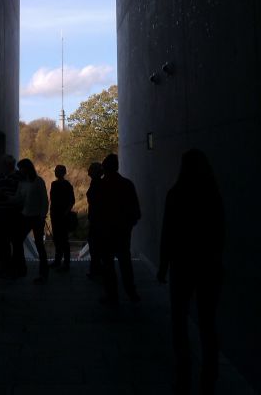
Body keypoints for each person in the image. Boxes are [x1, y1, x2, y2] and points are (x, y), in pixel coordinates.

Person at [157, 149, 225, 395]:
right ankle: (210, 375)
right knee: (207, 323)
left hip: (182, 265)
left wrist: (163, 266)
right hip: (208, 266)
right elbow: (220, 233)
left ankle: (183, 372)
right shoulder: (212, 194)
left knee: (179, 320)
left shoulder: (176, 194)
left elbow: (168, 233)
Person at [96, 153, 141, 304]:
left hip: (106, 232)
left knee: (108, 265)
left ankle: (112, 295)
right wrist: (128, 225)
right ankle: (131, 292)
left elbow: (96, 210)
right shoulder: (127, 184)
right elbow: (136, 211)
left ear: (104, 168)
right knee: (125, 263)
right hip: (123, 231)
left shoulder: (101, 186)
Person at [14, 158, 49, 284]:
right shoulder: (22, 183)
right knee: (17, 241)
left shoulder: (38, 181)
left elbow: (44, 200)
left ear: (27, 168)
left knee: (39, 245)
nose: (20, 170)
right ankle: (21, 269)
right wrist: (6, 198)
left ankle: (43, 274)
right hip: (25, 217)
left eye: (21, 168)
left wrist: (42, 216)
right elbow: (18, 198)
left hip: (37, 218)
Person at [0, 154, 25, 278]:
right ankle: (5, 267)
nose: (5, 166)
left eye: (6, 164)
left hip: (13, 213)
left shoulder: (19, 177)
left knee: (15, 241)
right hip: (0, 212)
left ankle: (16, 268)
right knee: (2, 242)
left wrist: (6, 196)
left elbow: (21, 194)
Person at [49, 165, 75, 271]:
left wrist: (65, 213)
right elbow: (71, 201)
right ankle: (61, 262)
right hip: (58, 215)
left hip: (59, 215)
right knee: (60, 239)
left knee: (62, 239)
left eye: (57, 171)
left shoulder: (57, 184)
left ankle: (62, 262)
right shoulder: (65, 184)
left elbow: (71, 201)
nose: (56, 172)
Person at [86, 162, 103, 278]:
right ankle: (96, 270)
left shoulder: (97, 184)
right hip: (97, 219)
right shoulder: (97, 183)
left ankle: (96, 271)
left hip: (97, 220)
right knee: (95, 247)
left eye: (91, 169)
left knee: (95, 247)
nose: (88, 171)